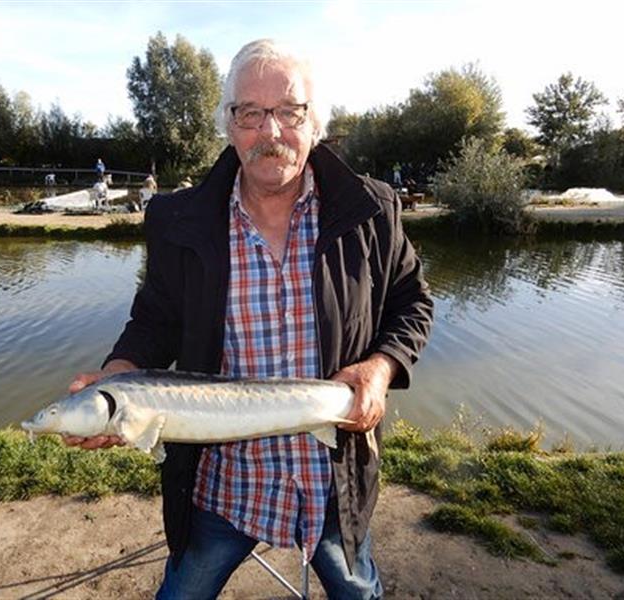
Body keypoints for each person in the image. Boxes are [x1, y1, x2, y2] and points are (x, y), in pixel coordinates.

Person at [65, 39, 433, 599]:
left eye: (290, 111)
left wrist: (381, 367)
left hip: (333, 483)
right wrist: (121, 376)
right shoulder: (178, 219)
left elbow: (412, 302)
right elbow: (155, 320)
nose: (271, 131)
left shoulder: (372, 210)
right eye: (251, 113)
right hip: (223, 487)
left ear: (315, 123)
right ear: (229, 124)